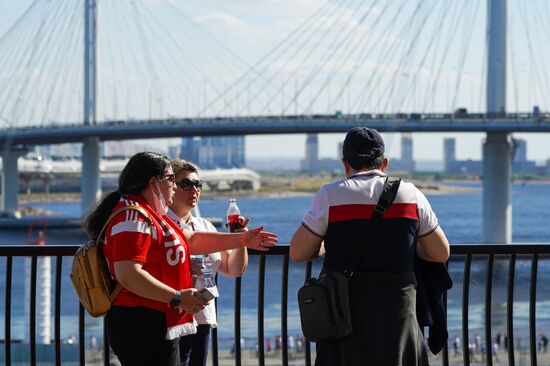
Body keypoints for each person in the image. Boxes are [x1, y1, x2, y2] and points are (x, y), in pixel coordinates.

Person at [82, 152, 277, 366]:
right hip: (140, 322)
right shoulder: (132, 217)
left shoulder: (152, 216)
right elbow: (128, 274)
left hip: (159, 320)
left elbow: (192, 240)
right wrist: (177, 297)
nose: (174, 186)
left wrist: (242, 239)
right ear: (153, 183)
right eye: (171, 179)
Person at [289, 127, 450, 366]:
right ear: (384, 163)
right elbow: (440, 252)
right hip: (398, 307)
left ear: (345, 164)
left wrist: (325, 246)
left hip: (345, 311)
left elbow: (299, 252)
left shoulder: (330, 196)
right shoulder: (410, 194)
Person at [167, 159, 249, 366]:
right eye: (186, 184)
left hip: (202, 316)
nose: (194, 189)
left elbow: (234, 268)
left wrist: (241, 240)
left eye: (198, 184)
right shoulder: (162, 225)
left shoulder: (204, 225)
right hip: (173, 317)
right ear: (170, 186)